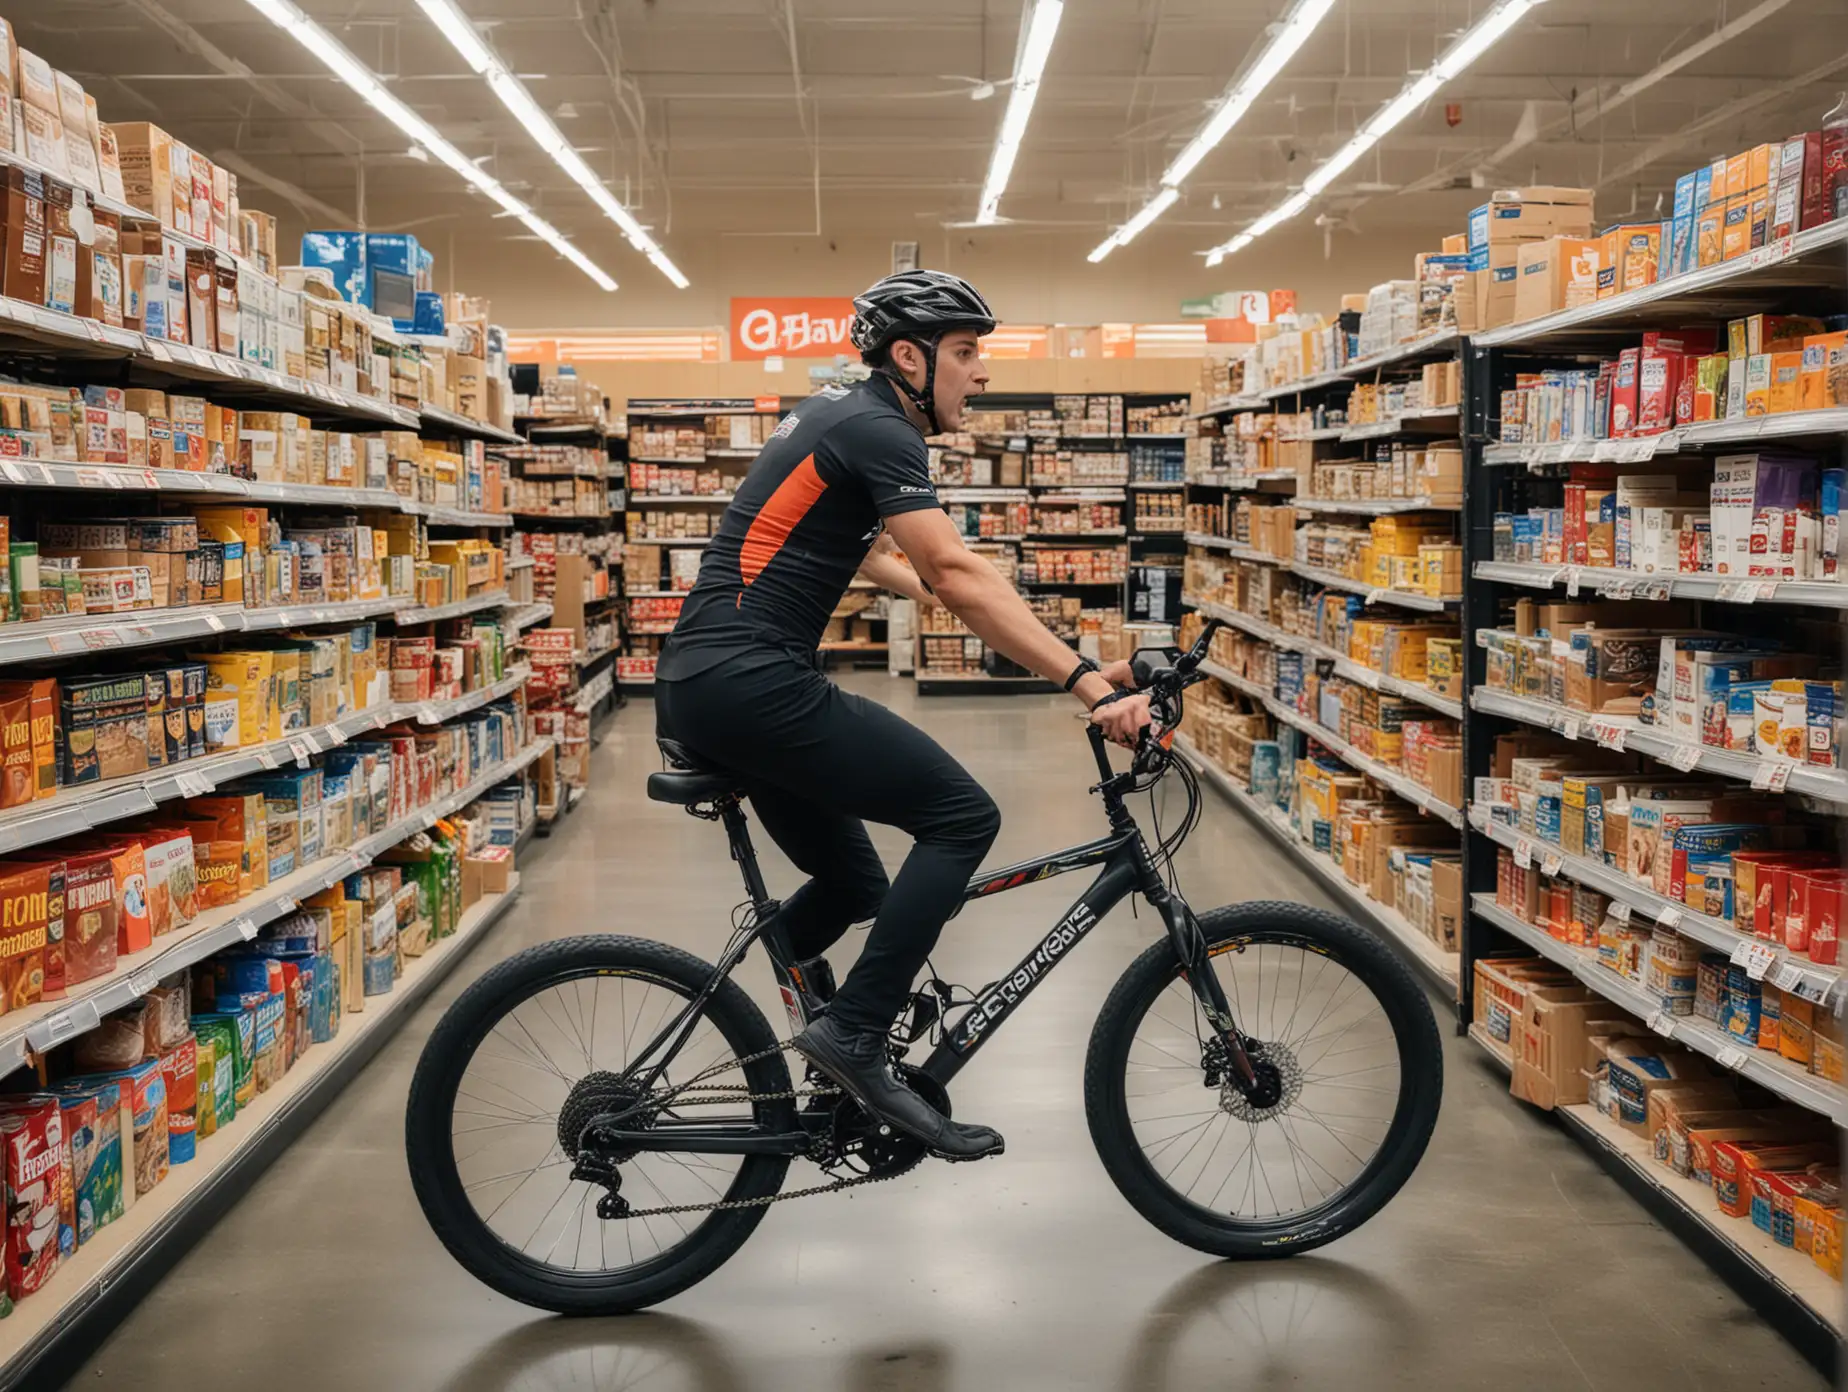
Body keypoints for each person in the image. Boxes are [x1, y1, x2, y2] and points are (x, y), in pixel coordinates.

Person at [653, 270, 1152, 1161]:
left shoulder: (839, 415)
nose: (981, 374)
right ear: (909, 357)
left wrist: (1066, 650)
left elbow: (908, 567)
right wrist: (1084, 682)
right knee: (962, 816)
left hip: (714, 681)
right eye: (966, 354)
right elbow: (953, 577)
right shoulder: (881, 428)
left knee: (856, 889)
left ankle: (806, 1020)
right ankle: (851, 1040)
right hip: (751, 679)